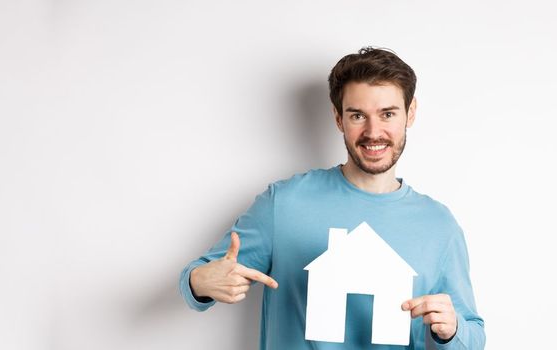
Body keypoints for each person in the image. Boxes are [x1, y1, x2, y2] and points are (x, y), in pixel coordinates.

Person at [179, 46, 485, 349]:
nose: (373, 131)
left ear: (411, 113)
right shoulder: (284, 203)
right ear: (338, 118)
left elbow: (473, 337)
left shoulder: (438, 225)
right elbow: (197, 276)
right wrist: (201, 282)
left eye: (388, 114)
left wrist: (452, 329)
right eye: (357, 116)